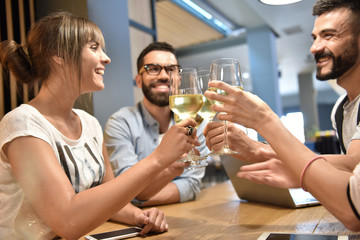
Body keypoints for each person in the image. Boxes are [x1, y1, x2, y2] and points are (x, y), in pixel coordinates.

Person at [0, 12, 200, 240]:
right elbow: (68, 220)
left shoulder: (90, 124)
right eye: (94, 47)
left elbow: (111, 198)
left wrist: (139, 216)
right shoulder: (23, 123)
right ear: (59, 54)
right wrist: (158, 158)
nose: (106, 58)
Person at [204, 0, 360, 232]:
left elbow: (351, 190)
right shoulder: (340, 109)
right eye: (314, 37)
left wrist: (264, 121)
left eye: (329, 35)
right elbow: (352, 167)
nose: (315, 47)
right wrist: (259, 150)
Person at [104, 42, 207, 207]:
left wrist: (136, 197)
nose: (164, 76)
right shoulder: (120, 123)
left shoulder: (195, 124)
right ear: (138, 81)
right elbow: (122, 187)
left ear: (179, 79)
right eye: (153, 68)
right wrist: (170, 171)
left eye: (171, 69)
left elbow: (192, 185)